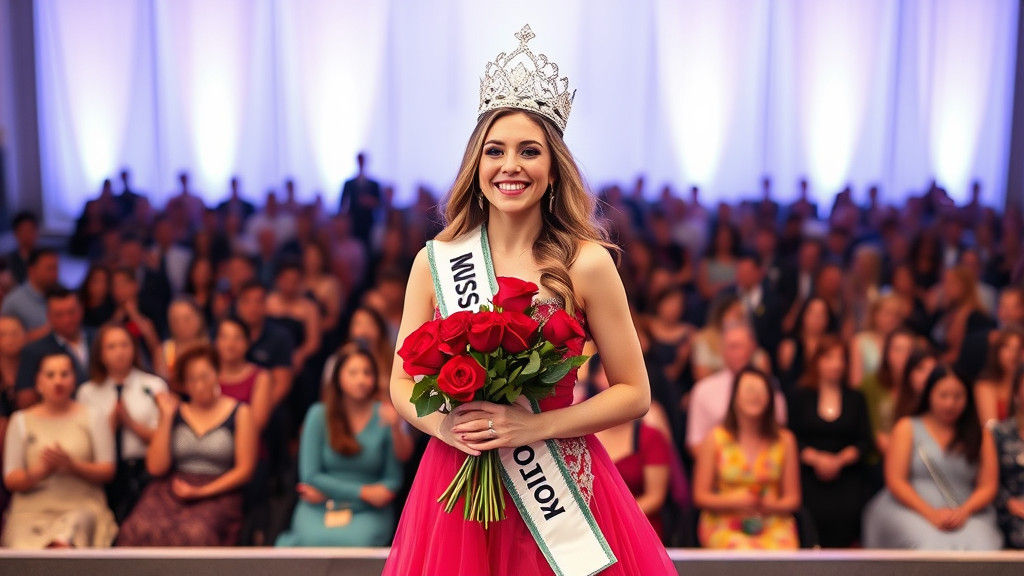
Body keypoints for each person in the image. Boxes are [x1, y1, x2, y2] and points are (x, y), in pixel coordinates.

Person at [382, 26, 675, 575]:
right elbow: (400, 383)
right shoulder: (435, 262)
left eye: (529, 151)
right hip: (457, 480)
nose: (510, 166)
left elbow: (635, 393)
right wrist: (444, 427)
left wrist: (531, 427)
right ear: (477, 165)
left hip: (557, 484)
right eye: (495, 151)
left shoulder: (586, 262)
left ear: (552, 167)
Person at [116, 345, 256, 546]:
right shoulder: (177, 413)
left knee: (195, 533)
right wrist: (165, 417)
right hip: (174, 488)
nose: (200, 385)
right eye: (192, 379)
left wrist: (201, 492)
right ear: (184, 384)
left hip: (219, 490)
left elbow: (245, 470)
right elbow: (155, 467)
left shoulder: (240, 412)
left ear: (217, 374)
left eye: (205, 376)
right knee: (137, 527)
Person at [862, 366, 1002, 549]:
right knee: (929, 544)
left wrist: (963, 511)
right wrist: (930, 513)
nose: (950, 404)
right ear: (929, 394)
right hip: (910, 508)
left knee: (982, 545)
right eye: (943, 395)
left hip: (968, 511)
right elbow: (896, 480)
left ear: (968, 398)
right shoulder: (906, 427)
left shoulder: (981, 434)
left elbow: (988, 485)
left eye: (958, 396)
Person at [276, 345, 403, 546]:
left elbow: (392, 480)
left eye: (367, 372)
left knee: (360, 543)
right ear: (337, 377)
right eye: (353, 372)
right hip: (320, 509)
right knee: (309, 541)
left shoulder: (385, 415)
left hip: (367, 513)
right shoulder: (318, 414)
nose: (361, 379)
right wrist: (363, 493)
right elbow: (310, 476)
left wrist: (328, 493)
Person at [2, 351, 117, 547]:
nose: (58, 381)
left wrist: (71, 466)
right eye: (50, 375)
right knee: (24, 547)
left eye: (65, 374)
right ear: (38, 382)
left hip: (81, 507)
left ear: (74, 381)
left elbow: (107, 470)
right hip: (30, 512)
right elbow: (11, 479)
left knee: (69, 536)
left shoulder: (93, 416)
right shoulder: (20, 420)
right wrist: (42, 471)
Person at [693, 367, 801, 549]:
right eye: (749, 390)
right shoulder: (715, 438)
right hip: (725, 521)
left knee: (780, 551)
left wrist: (771, 505)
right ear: (735, 396)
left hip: (772, 521)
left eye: (761, 391)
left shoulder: (786, 440)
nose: (754, 396)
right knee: (740, 549)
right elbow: (700, 495)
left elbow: (793, 499)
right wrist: (734, 501)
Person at [75, 324, 167, 522]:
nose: (119, 352)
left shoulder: (154, 386)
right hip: (103, 476)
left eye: (124, 345)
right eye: (112, 347)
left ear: (134, 349)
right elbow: (83, 444)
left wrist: (131, 424)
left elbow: (165, 437)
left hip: (143, 471)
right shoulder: (87, 392)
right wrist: (109, 425)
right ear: (100, 354)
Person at [787, 336, 873, 547]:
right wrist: (816, 459)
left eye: (841, 358)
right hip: (807, 470)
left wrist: (839, 460)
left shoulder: (856, 398)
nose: (836, 364)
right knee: (809, 509)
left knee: (851, 507)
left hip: (846, 472)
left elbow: (864, 441)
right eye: (829, 358)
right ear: (817, 361)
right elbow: (791, 437)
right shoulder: (800, 395)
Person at [687, 323, 785, 455]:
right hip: (720, 469)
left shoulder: (769, 387)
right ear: (722, 351)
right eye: (732, 347)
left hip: (764, 468)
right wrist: (734, 467)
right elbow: (695, 442)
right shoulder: (703, 390)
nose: (737, 352)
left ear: (753, 348)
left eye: (742, 346)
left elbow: (779, 434)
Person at [15, 288, 92, 409]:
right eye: (59, 314)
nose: (67, 319)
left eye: (71, 312)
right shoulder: (34, 350)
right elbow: (25, 399)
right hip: (55, 417)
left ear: (81, 310)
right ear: (48, 316)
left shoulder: (99, 339)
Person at [993, 367, 1024, 548]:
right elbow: (988, 482)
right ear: (1016, 393)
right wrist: (1008, 503)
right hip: (1010, 509)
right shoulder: (998, 432)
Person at [1, 248, 60, 340]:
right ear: (32, 270)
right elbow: (6, 341)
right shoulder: (13, 302)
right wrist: (51, 330)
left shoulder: (63, 295)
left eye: (56, 268)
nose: (55, 274)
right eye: (49, 268)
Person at [974, 329, 1023, 428]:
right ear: (997, 351)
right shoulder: (985, 385)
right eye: (1007, 347)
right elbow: (992, 428)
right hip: (1000, 440)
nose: (1013, 354)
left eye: (1019, 348)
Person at [338, 152, 381, 248]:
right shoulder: (348, 184)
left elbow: (380, 204)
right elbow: (342, 204)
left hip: (369, 224)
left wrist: (370, 202)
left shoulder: (374, 184)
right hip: (354, 224)